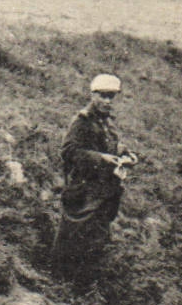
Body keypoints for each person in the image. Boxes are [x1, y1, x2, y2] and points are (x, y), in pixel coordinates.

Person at [50, 74, 134, 292]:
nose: (107, 101)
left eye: (111, 97)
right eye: (103, 96)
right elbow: (69, 151)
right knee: (74, 235)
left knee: (96, 239)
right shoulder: (82, 121)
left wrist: (127, 155)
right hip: (84, 191)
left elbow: (114, 145)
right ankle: (59, 282)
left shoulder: (107, 122)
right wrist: (101, 158)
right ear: (92, 95)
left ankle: (84, 286)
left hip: (104, 192)